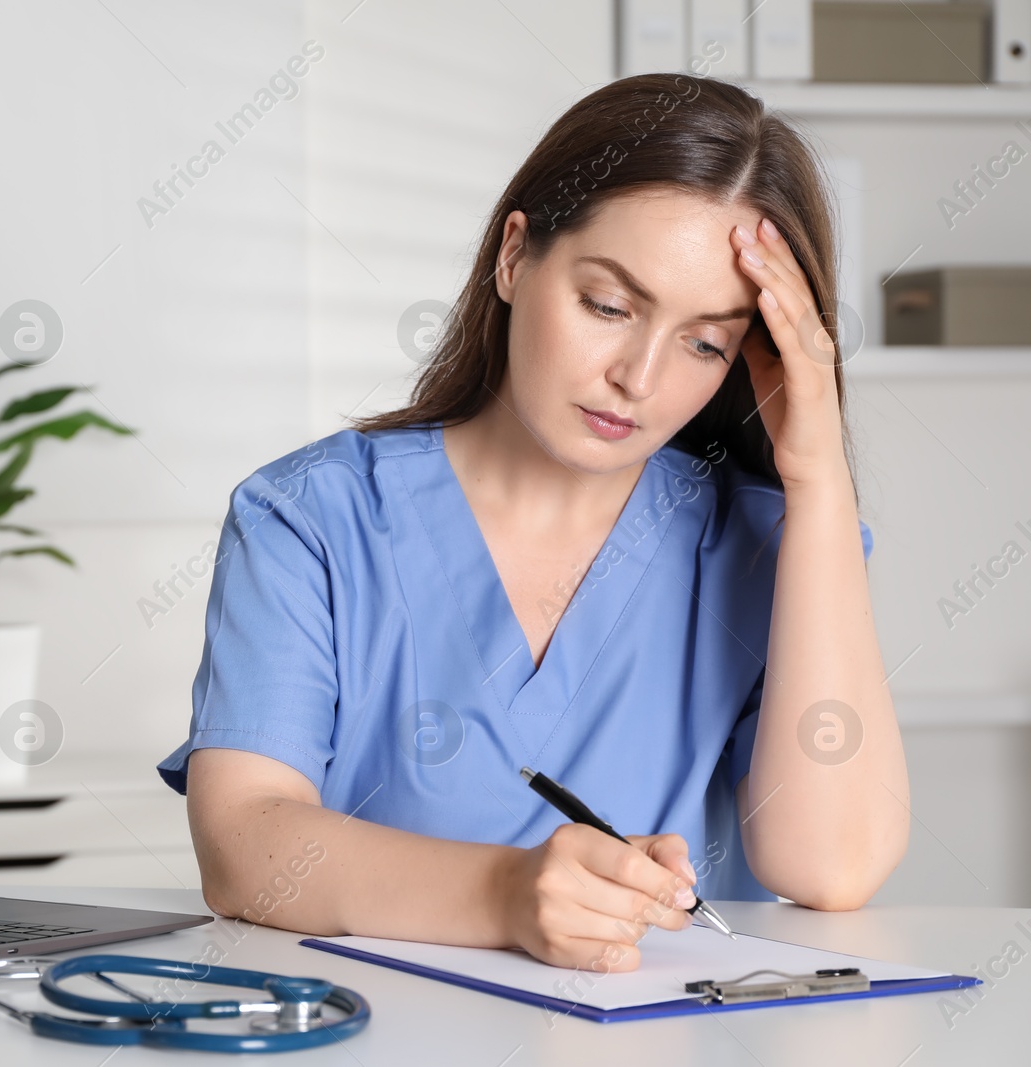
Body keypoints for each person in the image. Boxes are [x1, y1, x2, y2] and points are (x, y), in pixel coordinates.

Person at [156, 72, 910, 973]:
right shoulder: (310, 518)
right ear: (515, 256)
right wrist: (507, 895)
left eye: (706, 341)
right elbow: (245, 847)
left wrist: (819, 479)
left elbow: (832, 867)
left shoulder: (774, 549)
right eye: (608, 305)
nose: (638, 376)